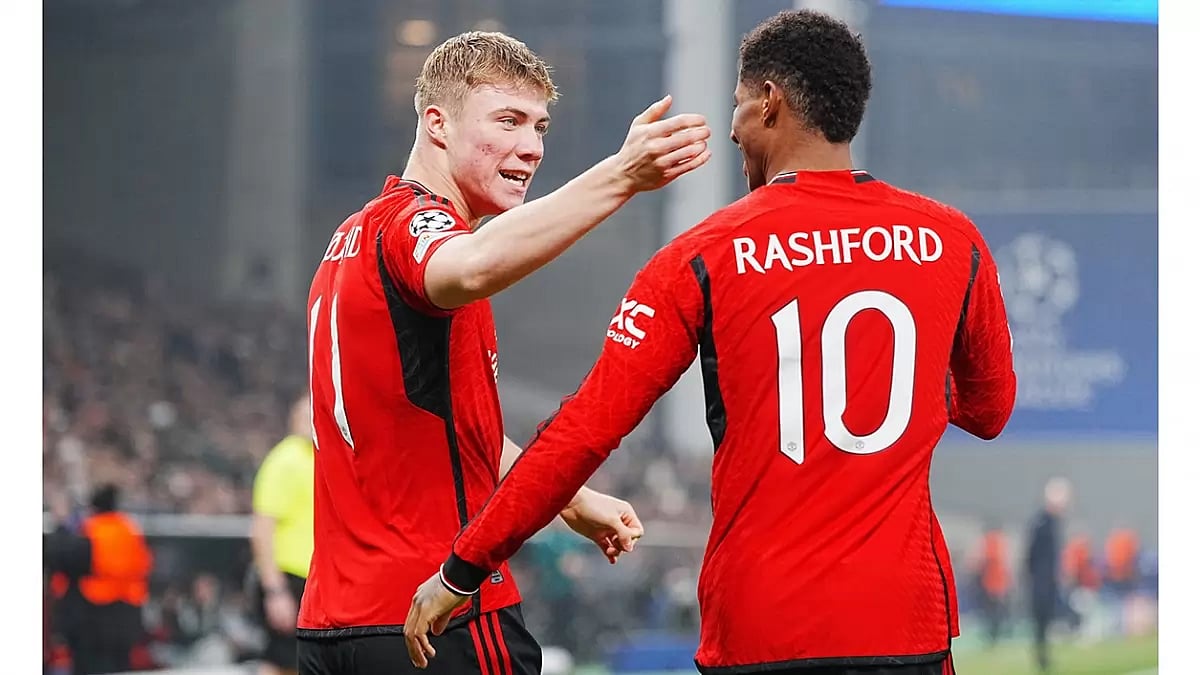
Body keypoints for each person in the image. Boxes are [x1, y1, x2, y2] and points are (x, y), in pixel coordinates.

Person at [405, 10, 1017, 675]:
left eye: (736, 105)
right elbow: (989, 411)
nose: (731, 129)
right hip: (906, 623)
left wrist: (464, 568)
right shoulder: (951, 240)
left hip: (762, 629)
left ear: (768, 102)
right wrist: (899, 384)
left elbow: (582, 432)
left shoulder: (703, 256)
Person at [298, 30, 711, 675]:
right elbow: (469, 265)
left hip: (334, 627)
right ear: (437, 124)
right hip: (436, 617)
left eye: (540, 127)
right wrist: (622, 175)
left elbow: (456, 428)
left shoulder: (350, 238)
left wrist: (571, 500)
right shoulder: (415, 224)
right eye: (508, 120)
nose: (532, 147)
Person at [44, 484, 154, 675]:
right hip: (126, 617)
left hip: (93, 619)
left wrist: (61, 526)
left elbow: (60, 557)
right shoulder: (129, 530)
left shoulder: (92, 531)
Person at [250, 393, 315, 675]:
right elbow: (261, 530)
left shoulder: (316, 459)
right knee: (281, 662)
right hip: (288, 577)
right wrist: (275, 590)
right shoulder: (285, 461)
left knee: (300, 661)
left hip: (311, 579)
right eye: (304, 415)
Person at [1025, 477, 1072, 673]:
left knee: (1047, 621)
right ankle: (1041, 658)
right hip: (1041, 581)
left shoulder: (1051, 522)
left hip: (1048, 581)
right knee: (1041, 621)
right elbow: (1031, 554)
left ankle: (1044, 657)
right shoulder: (1042, 522)